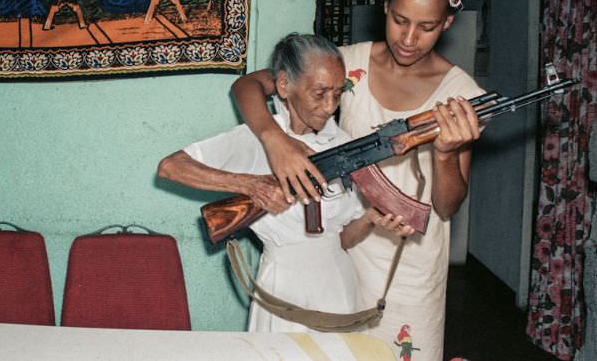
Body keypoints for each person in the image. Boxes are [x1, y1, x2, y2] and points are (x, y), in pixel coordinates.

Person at [230, 0, 483, 360]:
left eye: (427, 27)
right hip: (341, 248)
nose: (408, 38)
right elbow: (248, 86)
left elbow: (447, 205)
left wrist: (444, 153)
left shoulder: (462, 94)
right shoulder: (346, 66)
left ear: (448, 23)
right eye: (400, 20)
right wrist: (275, 141)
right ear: (384, 7)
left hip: (412, 263)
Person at [159, 33, 413, 332]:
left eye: (338, 93)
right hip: (284, 289)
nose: (330, 106)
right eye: (319, 93)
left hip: (338, 288)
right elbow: (171, 167)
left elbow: (341, 239)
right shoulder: (260, 138)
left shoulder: (342, 144)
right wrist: (251, 185)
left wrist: (370, 219)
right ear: (284, 85)